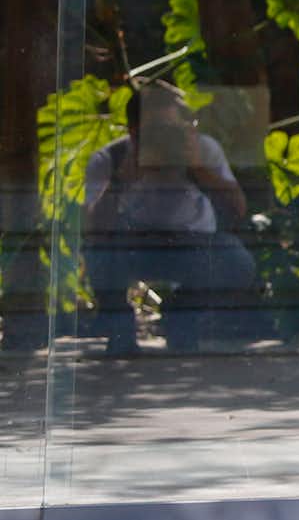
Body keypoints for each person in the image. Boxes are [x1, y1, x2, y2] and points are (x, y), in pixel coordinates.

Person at [83, 80, 257, 353]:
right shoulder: (110, 159)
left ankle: (182, 316)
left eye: (173, 131)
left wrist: (197, 168)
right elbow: (93, 229)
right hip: (134, 245)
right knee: (100, 250)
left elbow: (238, 208)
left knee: (237, 262)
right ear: (133, 131)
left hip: (192, 244)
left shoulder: (202, 150)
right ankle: (119, 327)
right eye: (156, 132)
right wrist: (121, 180)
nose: (164, 141)